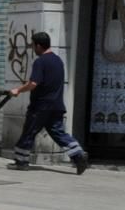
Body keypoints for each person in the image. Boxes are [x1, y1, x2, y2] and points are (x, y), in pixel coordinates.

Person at [8, 32, 89, 174]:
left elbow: (33, 83)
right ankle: (78, 155)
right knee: (58, 133)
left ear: (38, 46)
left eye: (33, 45)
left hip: (40, 106)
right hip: (56, 105)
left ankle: (21, 161)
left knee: (29, 132)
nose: (33, 48)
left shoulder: (40, 61)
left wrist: (18, 90)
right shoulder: (58, 60)